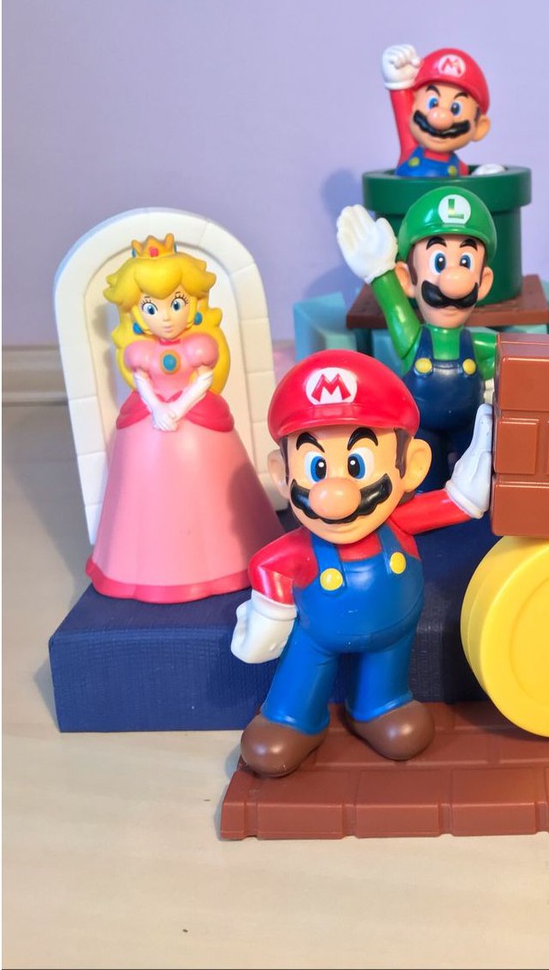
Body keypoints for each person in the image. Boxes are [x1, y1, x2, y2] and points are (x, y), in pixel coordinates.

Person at [231, 350, 493, 776]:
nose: (334, 495)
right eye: (317, 467)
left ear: (412, 466)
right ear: (282, 474)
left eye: (356, 465)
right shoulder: (301, 547)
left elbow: (457, 502)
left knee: (388, 684)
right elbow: (268, 565)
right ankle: (291, 717)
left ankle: (380, 705)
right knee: (302, 670)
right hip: (316, 635)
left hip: (393, 633)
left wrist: (480, 463)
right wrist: (269, 616)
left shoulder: (399, 520)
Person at [87, 234, 281, 601]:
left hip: (197, 424)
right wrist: (157, 408)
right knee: (145, 493)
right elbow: (142, 381)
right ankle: (145, 568)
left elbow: (204, 380)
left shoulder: (199, 346)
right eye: (151, 307)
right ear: (136, 312)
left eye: (175, 304)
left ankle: (228, 558)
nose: (165, 317)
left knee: (210, 489)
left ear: (192, 305)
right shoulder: (140, 351)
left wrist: (178, 408)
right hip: (148, 425)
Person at [337, 186, 500, 489]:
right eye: (439, 262)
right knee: (425, 481)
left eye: (465, 262)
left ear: (484, 281)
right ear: (407, 279)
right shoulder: (414, 341)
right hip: (422, 427)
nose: (453, 280)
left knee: (479, 483)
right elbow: (395, 310)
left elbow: (513, 356)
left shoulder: (478, 345)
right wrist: (379, 273)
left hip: (470, 428)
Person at [381, 44, 492, 178]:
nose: (439, 119)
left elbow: (468, 186)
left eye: (455, 109)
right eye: (433, 103)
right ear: (412, 105)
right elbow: (401, 112)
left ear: (479, 127)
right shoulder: (410, 150)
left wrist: (481, 175)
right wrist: (397, 82)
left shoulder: (460, 168)